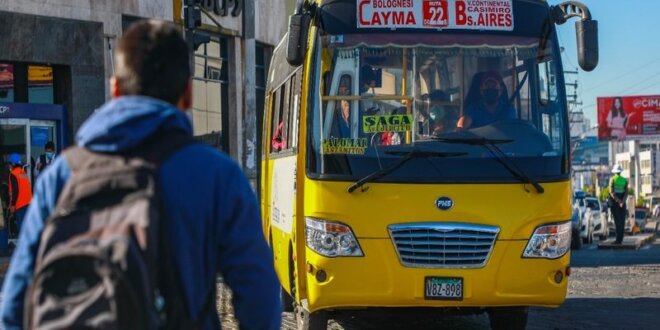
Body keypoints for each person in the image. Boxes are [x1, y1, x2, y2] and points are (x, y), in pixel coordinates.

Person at [1, 20, 281, 330]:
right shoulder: (218, 176)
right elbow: (260, 298)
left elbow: (15, 304)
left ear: (115, 89)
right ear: (187, 95)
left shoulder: (61, 176)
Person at [6, 154, 32, 235]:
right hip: (28, 203)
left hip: (20, 205)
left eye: (9, 164)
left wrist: (13, 205)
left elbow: (15, 191)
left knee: (21, 228)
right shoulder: (23, 172)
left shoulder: (13, 174)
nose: (9, 166)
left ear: (13, 164)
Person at [609, 164, 628, 244]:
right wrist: (622, 201)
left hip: (614, 203)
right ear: (620, 172)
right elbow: (626, 192)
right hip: (622, 203)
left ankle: (617, 240)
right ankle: (620, 239)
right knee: (622, 221)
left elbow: (611, 192)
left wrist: (618, 201)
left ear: (614, 172)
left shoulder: (612, 179)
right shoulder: (625, 180)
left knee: (617, 221)